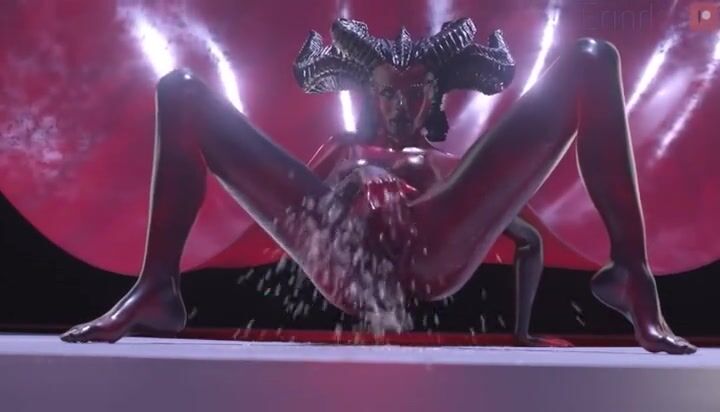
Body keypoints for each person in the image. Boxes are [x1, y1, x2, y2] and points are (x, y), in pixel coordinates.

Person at [61, 17, 695, 354]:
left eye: (415, 93)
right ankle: (158, 285)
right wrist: (357, 182)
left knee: (591, 59)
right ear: (372, 95)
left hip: (430, 248)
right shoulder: (343, 149)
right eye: (389, 93)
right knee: (180, 92)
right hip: (345, 253)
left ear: (435, 98)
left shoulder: (448, 167)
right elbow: (292, 214)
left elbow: (525, 240)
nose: (401, 105)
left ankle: (629, 272)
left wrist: (521, 334)